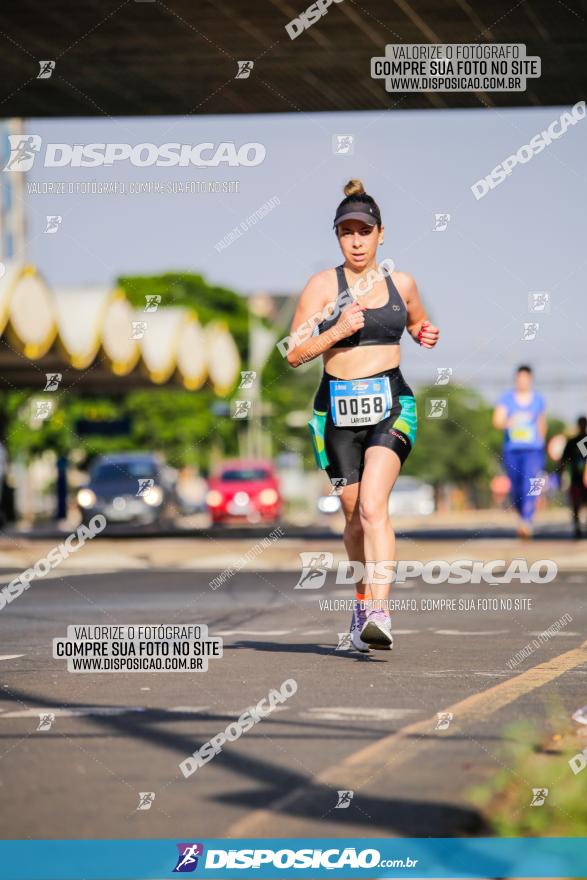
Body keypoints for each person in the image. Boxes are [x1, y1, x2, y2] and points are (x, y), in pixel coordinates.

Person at [286, 179, 439, 651]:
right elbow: (293, 353)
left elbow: (415, 320)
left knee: (374, 507)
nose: (356, 240)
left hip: (391, 406)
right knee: (353, 519)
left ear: (381, 234)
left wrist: (423, 333)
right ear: (338, 236)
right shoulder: (322, 286)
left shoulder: (403, 283)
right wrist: (336, 330)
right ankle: (361, 601)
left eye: (364, 231)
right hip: (334, 413)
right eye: (347, 232)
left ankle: (380, 610)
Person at [492, 365, 546, 539]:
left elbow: (541, 424)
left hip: (533, 450)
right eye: (519, 379)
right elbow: (497, 421)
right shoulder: (506, 399)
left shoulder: (538, 399)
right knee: (516, 487)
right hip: (512, 450)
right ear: (516, 379)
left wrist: (542, 445)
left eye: (525, 378)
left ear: (530, 379)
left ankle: (527, 521)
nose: (522, 382)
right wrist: (509, 422)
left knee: (529, 483)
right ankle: (522, 516)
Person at [557, 416, 587, 539]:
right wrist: (560, 476)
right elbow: (563, 461)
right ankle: (577, 527)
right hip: (576, 478)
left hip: (583, 479)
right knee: (576, 504)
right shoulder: (573, 442)